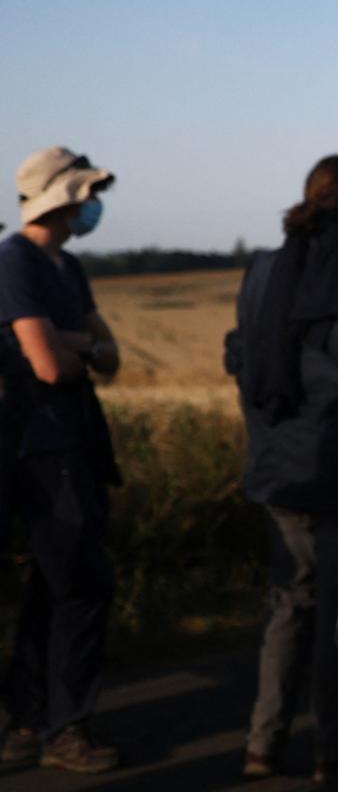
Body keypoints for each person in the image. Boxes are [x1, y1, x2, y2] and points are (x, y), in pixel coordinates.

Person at [229, 155, 338, 783]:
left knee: (289, 605)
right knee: (337, 615)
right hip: (337, 466)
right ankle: (335, 751)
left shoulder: (265, 267)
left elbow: (240, 354)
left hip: (276, 468)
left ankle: (262, 745)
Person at [0, 147, 121, 773]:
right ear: (63, 196)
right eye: (86, 192)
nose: (92, 204)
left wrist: (71, 342)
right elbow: (49, 366)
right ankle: (64, 728)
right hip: (44, 451)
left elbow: (111, 354)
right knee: (79, 586)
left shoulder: (67, 268)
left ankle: (26, 719)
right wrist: (80, 344)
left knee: (53, 586)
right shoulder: (14, 262)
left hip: (73, 442)